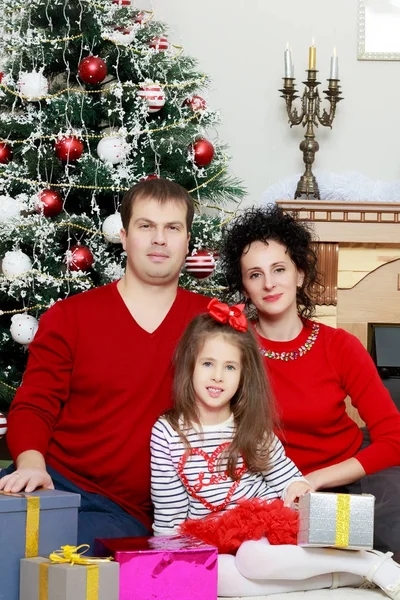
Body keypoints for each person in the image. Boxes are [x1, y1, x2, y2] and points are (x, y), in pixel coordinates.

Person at [0, 178, 210, 549]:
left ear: (187, 241)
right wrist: (32, 465)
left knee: (44, 552)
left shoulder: (212, 323)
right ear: (125, 236)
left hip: (125, 511)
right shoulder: (70, 316)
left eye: (172, 228)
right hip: (51, 480)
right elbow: (35, 404)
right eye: (146, 226)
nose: (159, 239)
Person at [150, 300, 400, 599]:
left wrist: (300, 488)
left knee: (253, 559)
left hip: (261, 529)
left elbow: (288, 481)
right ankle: (340, 577)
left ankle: (366, 563)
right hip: (211, 535)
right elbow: (170, 516)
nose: (218, 376)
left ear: (243, 376)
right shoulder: (167, 432)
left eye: (230, 367)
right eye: (208, 364)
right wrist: (166, 561)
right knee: (216, 577)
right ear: (189, 365)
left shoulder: (249, 424)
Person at [221, 203, 400, 562]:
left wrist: (316, 479)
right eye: (255, 274)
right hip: (271, 486)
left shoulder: (339, 345)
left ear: (300, 274)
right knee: (261, 554)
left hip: (347, 476)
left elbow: (393, 438)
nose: (269, 283)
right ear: (244, 285)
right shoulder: (231, 348)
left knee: (387, 512)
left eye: (279, 269)